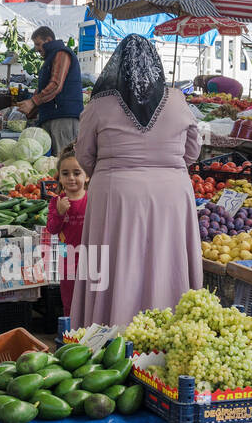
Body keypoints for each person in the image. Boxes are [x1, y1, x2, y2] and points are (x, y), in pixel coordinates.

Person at [71, 34, 201, 327]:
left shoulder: (99, 104)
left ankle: (109, 328)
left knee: (117, 262)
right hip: (171, 195)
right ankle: (168, 329)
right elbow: (192, 153)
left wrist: (112, 167)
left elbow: (84, 157)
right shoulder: (178, 100)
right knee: (166, 261)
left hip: (116, 194)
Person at [15, 26, 83, 152]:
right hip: (54, 116)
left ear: (49, 40)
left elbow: (55, 85)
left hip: (63, 118)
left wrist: (33, 102)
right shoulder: (51, 57)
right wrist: (32, 109)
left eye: (38, 44)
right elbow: (44, 87)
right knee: (53, 163)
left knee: (63, 160)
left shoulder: (61, 53)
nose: (36, 48)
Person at [45, 145, 89, 317]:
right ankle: (71, 335)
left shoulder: (93, 199)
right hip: (68, 259)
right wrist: (60, 213)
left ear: (87, 176)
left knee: (91, 298)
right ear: (59, 178)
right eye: (65, 174)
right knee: (69, 301)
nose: (71, 178)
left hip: (92, 257)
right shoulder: (56, 201)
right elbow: (52, 229)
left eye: (77, 173)